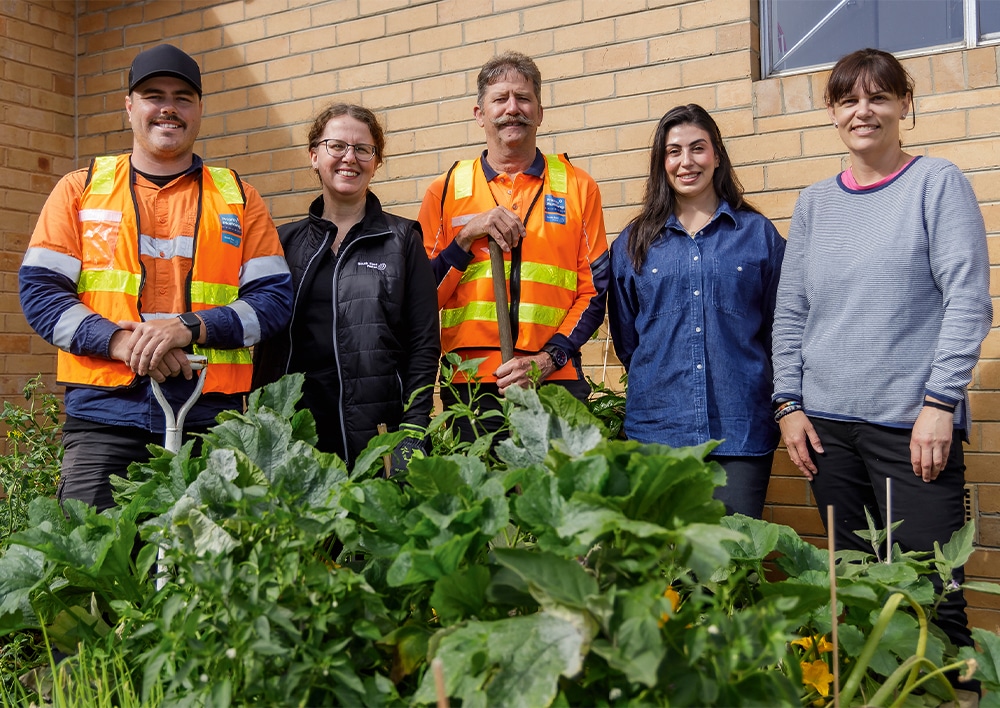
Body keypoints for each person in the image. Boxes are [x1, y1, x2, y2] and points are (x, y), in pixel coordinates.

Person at [772, 48, 991, 693]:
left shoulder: (937, 183)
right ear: (834, 114)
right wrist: (788, 403)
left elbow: (968, 300)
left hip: (910, 430)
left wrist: (939, 403)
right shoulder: (814, 203)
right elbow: (791, 311)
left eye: (878, 97)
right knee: (855, 597)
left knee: (932, 601)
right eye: (848, 100)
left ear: (905, 107)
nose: (863, 111)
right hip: (827, 434)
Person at [19, 44, 293, 512]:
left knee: (199, 573)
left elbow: (274, 301)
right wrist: (121, 344)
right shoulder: (79, 189)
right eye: (153, 95)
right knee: (98, 570)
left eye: (183, 97)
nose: (168, 107)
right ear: (130, 106)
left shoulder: (239, 197)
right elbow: (41, 292)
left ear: (200, 109)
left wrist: (188, 328)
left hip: (208, 415)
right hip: (104, 415)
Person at [418, 51, 609, 441]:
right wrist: (465, 237)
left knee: (560, 501)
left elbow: (594, 291)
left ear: (539, 112)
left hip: (555, 379)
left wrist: (545, 360)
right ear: (479, 113)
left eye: (523, 99)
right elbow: (422, 297)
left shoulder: (577, 185)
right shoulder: (446, 190)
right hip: (471, 386)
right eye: (500, 99)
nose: (512, 109)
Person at [607, 104, 785, 518]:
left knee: (732, 565)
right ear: (661, 162)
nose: (686, 162)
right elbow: (628, 340)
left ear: (717, 155)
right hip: (657, 433)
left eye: (697, 148)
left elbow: (780, 330)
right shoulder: (633, 243)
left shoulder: (757, 235)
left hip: (739, 432)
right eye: (673, 152)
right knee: (665, 569)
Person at [252, 104, 439, 467]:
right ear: (314, 156)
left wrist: (414, 428)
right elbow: (265, 344)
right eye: (336, 146)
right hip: (294, 432)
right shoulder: (282, 243)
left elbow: (424, 342)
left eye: (363, 149)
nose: (349, 158)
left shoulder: (402, 240)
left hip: (378, 432)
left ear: (376, 160)